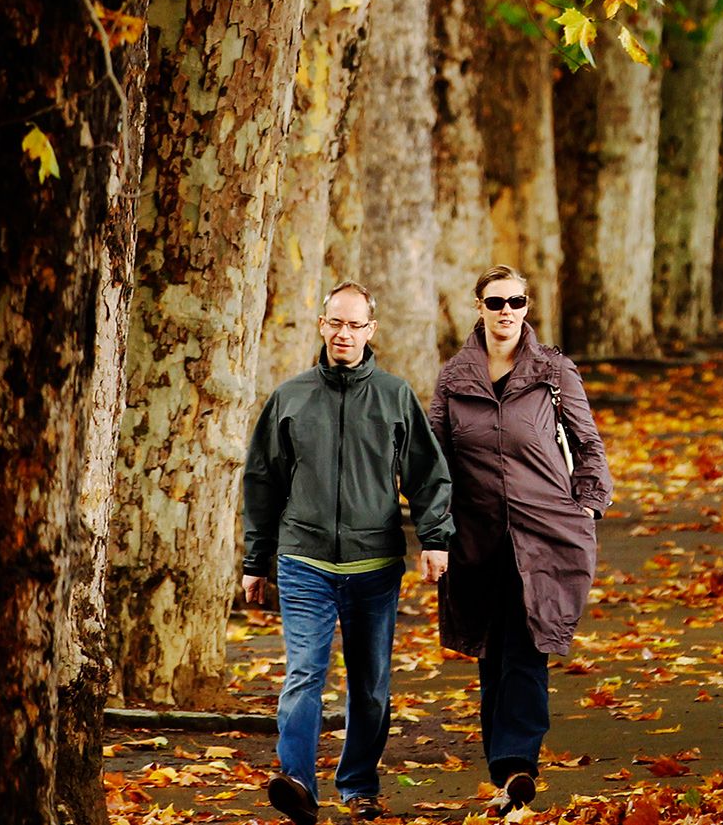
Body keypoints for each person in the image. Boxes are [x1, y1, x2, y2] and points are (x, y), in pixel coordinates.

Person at [242, 282, 454, 825]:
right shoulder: (290, 397)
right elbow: (262, 481)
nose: (345, 333)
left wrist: (433, 539)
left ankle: (359, 786)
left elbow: (428, 475)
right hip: (303, 560)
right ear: (321, 325)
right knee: (304, 673)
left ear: (371, 330)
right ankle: (297, 782)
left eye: (356, 324)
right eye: (336, 322)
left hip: (374, 565)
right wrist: (254, 560)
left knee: (371, 685)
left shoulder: (394, 395)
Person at [429, 265, 615, 818]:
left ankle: (518, 765)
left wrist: (586, 505)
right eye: (495, 302)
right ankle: (504, 771)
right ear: (478, 307)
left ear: (527, 307)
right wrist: (436, 530)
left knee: (528, 649)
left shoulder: (554, 371)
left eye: (515, 301)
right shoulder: (452, 378)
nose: (505, 311)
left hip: (547, 535)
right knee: (492, 652)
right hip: (477, 539)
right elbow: (433, 461)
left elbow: (589, 446)